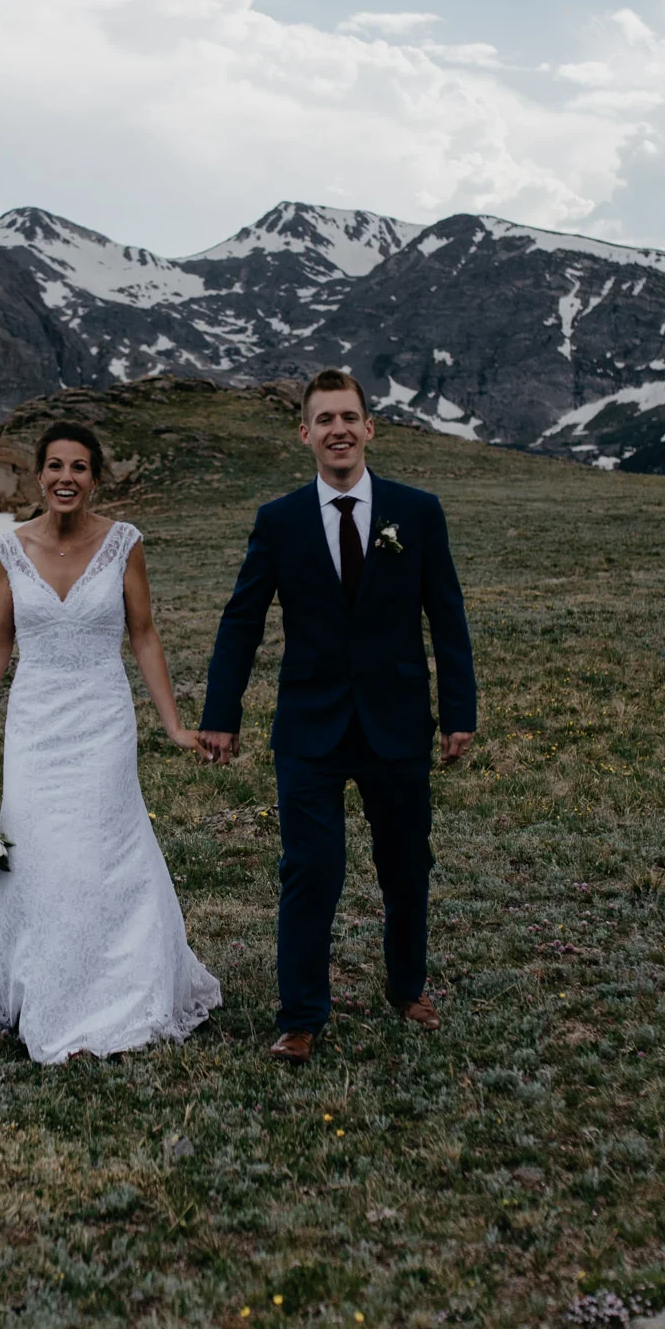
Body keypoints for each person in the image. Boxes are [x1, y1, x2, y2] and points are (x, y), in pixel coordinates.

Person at [199, 370, 477, 1064]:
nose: (339, 430)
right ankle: (300, 1017)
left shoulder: (417, 512)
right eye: (324, 419)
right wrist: (221, 715)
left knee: (405, 864)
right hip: (309, 729)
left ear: (370, 426)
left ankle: (408, 986)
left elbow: (447, 618)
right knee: (310, 870)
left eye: (349, 416)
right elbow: (242, 622)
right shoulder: (280, 519)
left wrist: (458, 712)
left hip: (398, 723)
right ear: (305, 433)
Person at [0, 420, 222, 1063]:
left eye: (79, 467)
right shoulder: (9, 551)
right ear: (39, 476)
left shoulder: (124, 544)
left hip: (102, 721)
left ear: (95, 478)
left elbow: (145, 636)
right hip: (37, 726)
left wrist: (174, 725)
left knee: (100, 851)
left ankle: (117, 992)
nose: (66, 477)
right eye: (55, 466)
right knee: (40, 856)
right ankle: (44, 991)